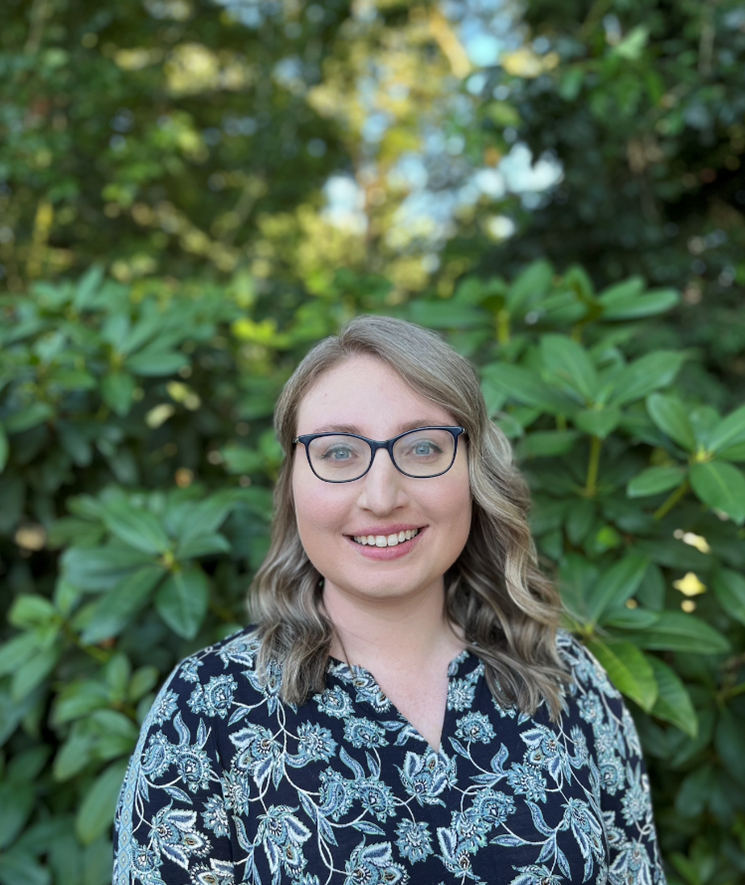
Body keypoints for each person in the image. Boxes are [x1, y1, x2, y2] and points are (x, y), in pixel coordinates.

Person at [113, 316, 667, 885]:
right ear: (293, 482)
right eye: (338, 453)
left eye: (424, 447)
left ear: (475, 473)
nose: (381, 498)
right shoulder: (207, 712)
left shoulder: (568, 680)